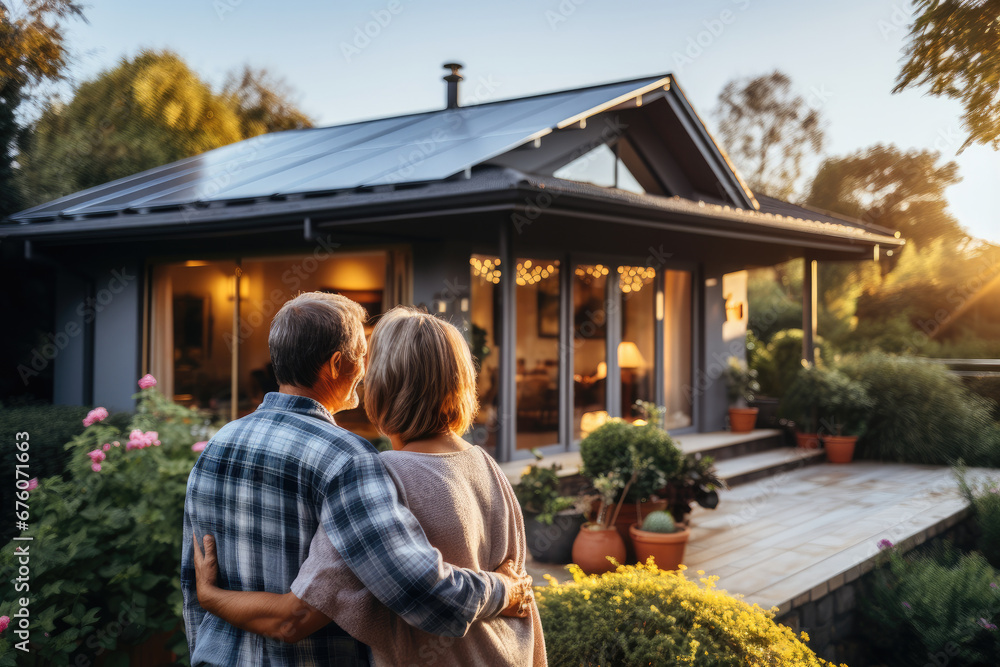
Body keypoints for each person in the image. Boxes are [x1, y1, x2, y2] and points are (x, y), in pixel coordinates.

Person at [181, 294, 533, 666]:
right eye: (362, 357)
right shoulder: (346, 459)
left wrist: (210, 605)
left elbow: (195, 582)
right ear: (336, 365)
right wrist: (505, 589)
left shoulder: (217, 447)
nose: (366, 371)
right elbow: (418, 589)